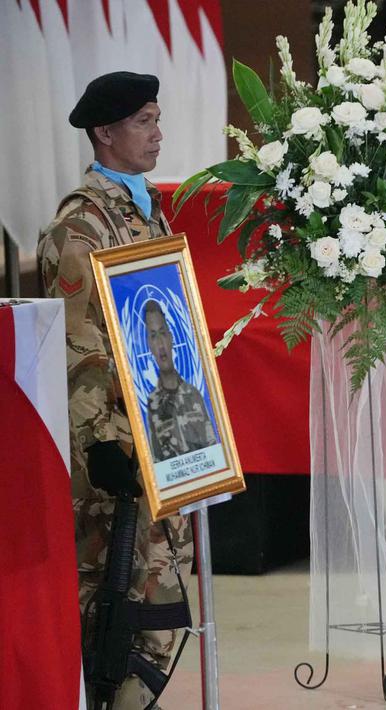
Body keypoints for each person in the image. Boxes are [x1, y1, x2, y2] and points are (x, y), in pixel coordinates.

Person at [36, 71, 192, 709]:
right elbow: (81, 348)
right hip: (116, 461)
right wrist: (105, 444)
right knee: (111, 610)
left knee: (155, 605)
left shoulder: (145, 207)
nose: (158, 134)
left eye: (157, 118)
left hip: (161, 436)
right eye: (144, 121)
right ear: (104, 132)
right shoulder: (81, 225)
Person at [142, 299, 218, 462]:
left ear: (171, 338)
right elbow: (156, 462)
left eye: (163, 333)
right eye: (153, 336)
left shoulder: (194, 394)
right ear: (149, 345)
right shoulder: (152, 405)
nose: (160, 343)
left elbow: (213, 447)